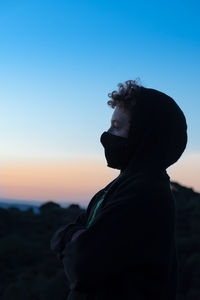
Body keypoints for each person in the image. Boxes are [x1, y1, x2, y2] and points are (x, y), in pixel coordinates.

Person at [50, 79, 188, 300]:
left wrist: (72, 237)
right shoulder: (121, 186)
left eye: (117, 127)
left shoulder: (145, 192)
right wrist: (74, 236)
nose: (106, 135)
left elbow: (83, 264)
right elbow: (68, 234)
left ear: (145, 135)